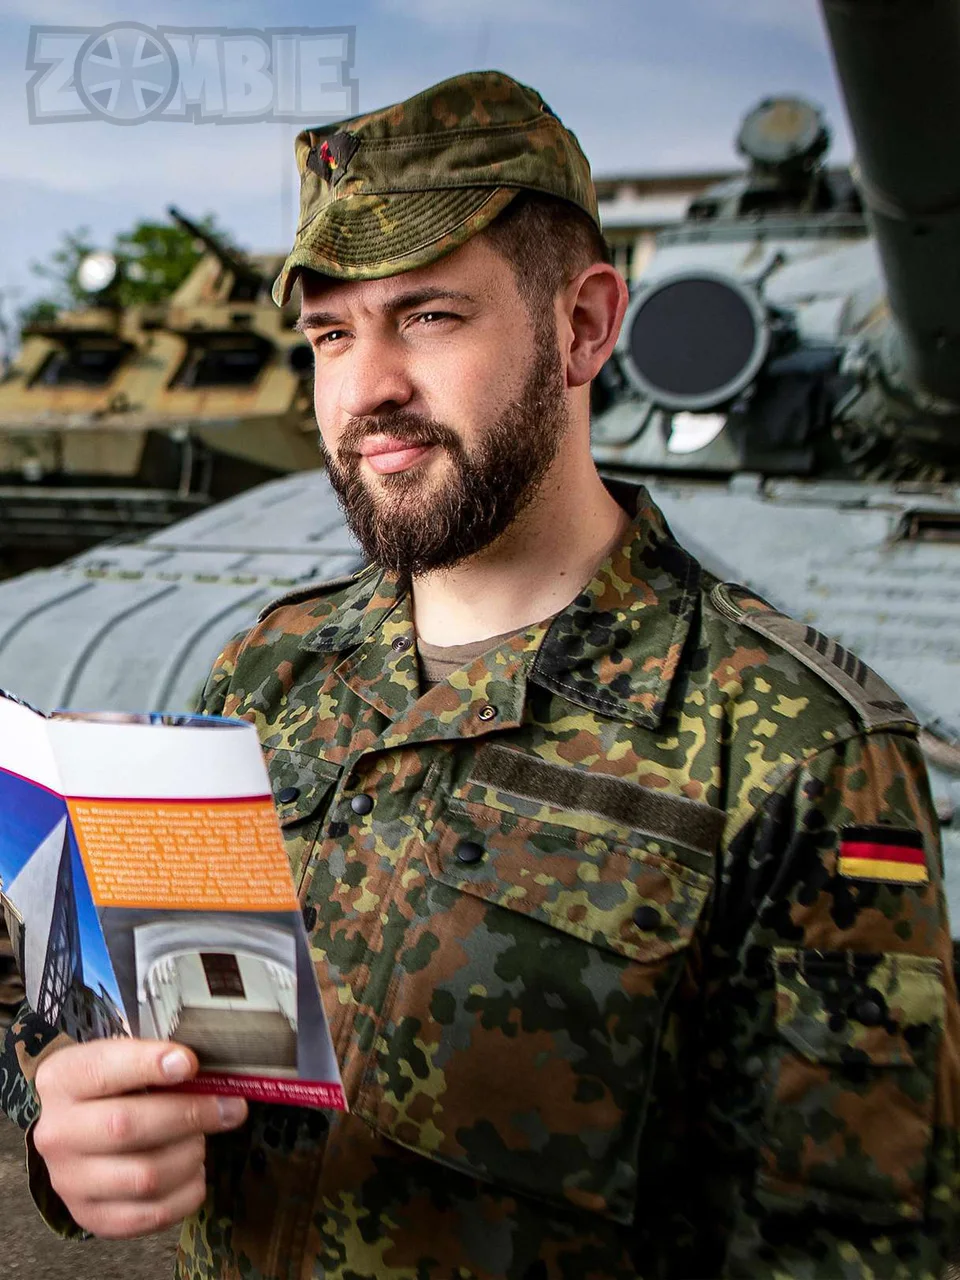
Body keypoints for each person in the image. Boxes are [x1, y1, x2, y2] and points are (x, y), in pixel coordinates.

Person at [2, 70, 959, 1280]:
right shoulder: (272, 666)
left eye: (433, 316)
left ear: (584, 326)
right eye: (332, 333)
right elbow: (108, 1017)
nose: (367, 389)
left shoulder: (792, 748)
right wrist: (69, 1121)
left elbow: (855, 1249)